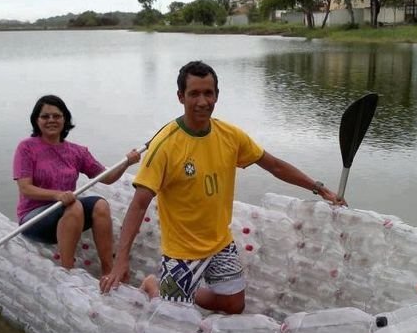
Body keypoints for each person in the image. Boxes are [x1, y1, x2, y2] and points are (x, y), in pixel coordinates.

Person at [100, 61, 342, 313]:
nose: (203, 101)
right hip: (182, 250)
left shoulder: (230, 136)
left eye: (209, 93)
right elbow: (139, 204)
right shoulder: (165, 146)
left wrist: (319, 188)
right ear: (181, 97)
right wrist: (121, 260)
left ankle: (173, 289)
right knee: (173, 319)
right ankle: (154, 286)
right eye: (194, 94)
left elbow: (274, 166)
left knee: (234, 305)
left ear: (217, 95)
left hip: (220, 242)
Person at [13, 94, 141, 275]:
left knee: (100, 204)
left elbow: (106, 177)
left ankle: (108, 270)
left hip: (68, 210)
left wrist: (127, 162)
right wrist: (56, 195)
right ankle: (68, 271)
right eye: (45, 116)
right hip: (34, 218)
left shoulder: (77, 151)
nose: (51, 120)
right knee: (74, 206)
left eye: (56, 116)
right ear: (36, 120)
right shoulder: (26, 148)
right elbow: (25, 188)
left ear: (65, 119)